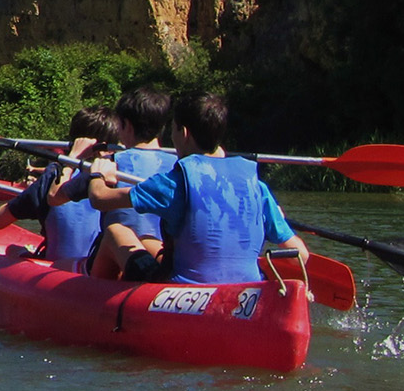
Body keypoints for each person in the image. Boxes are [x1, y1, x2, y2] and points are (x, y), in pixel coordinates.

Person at [84, 92, 309, 284]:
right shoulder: (258, 187)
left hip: (186, 291)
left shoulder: (174, 183)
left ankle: (96, 301)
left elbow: (99, 198)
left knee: (116, 231)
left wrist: (98, 172)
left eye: (173, 130)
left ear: (184, 133)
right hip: (244, 291)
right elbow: (300, 255)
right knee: (149, 242)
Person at [0, 106, 119, 271]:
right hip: (103, 272)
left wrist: (71, 158)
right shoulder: (120, 176)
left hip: (58, 271)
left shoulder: (53, 176)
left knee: (12, 249)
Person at [87, 88, 179, 279]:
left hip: (116, 265)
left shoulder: (111, 163)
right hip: (161, 254)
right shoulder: (180, 167)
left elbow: (56, 197)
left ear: (127, 125)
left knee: (63, 264)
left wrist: (77, 161)